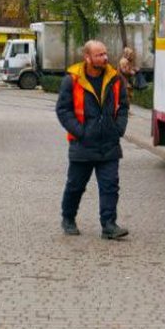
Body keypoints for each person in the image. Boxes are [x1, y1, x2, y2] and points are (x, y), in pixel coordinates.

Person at [54, 40, 130, 239]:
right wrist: (80, 132)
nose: (105, 58)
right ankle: (68, 218)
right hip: (83, 144)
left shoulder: (115, 78)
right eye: (99, 55)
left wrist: (118, 129)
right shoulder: (72, 80)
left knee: (110, 186)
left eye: (105, 54)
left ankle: (109, 225)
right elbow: (63, 110)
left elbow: (123, 106)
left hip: (109, 144)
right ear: (87, 57)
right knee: (75, 186)